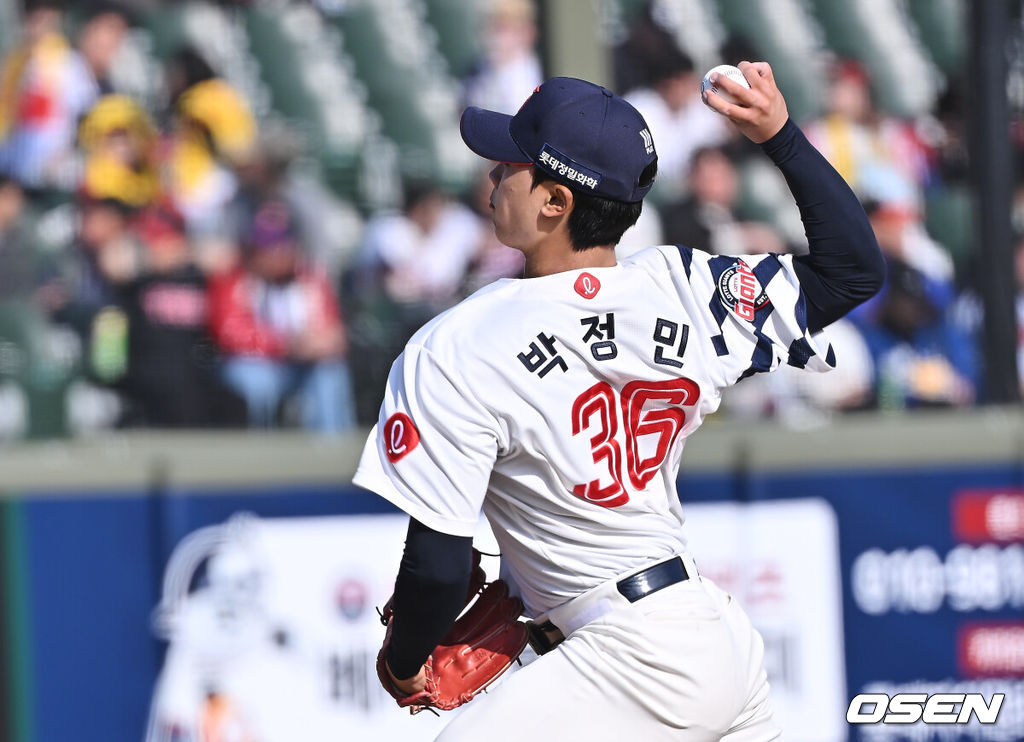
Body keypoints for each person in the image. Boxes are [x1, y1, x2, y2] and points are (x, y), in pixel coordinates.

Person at [353, 64, 884, 740]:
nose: (492, 175)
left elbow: (438, 565)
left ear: (555, 202)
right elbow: (851, 269)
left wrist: (404, 664)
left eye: (511, 165)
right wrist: (780, 136)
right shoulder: (685, 288)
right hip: (712, 638)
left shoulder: (458, 343)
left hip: (627, 656)